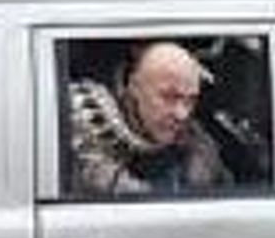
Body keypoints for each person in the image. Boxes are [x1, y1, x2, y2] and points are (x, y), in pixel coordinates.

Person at [69, 41, 232, 196]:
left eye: (190, 100)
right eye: (168, 97)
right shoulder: (84, 126)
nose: (182, 114)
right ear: (134, 86)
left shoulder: (196, 139)